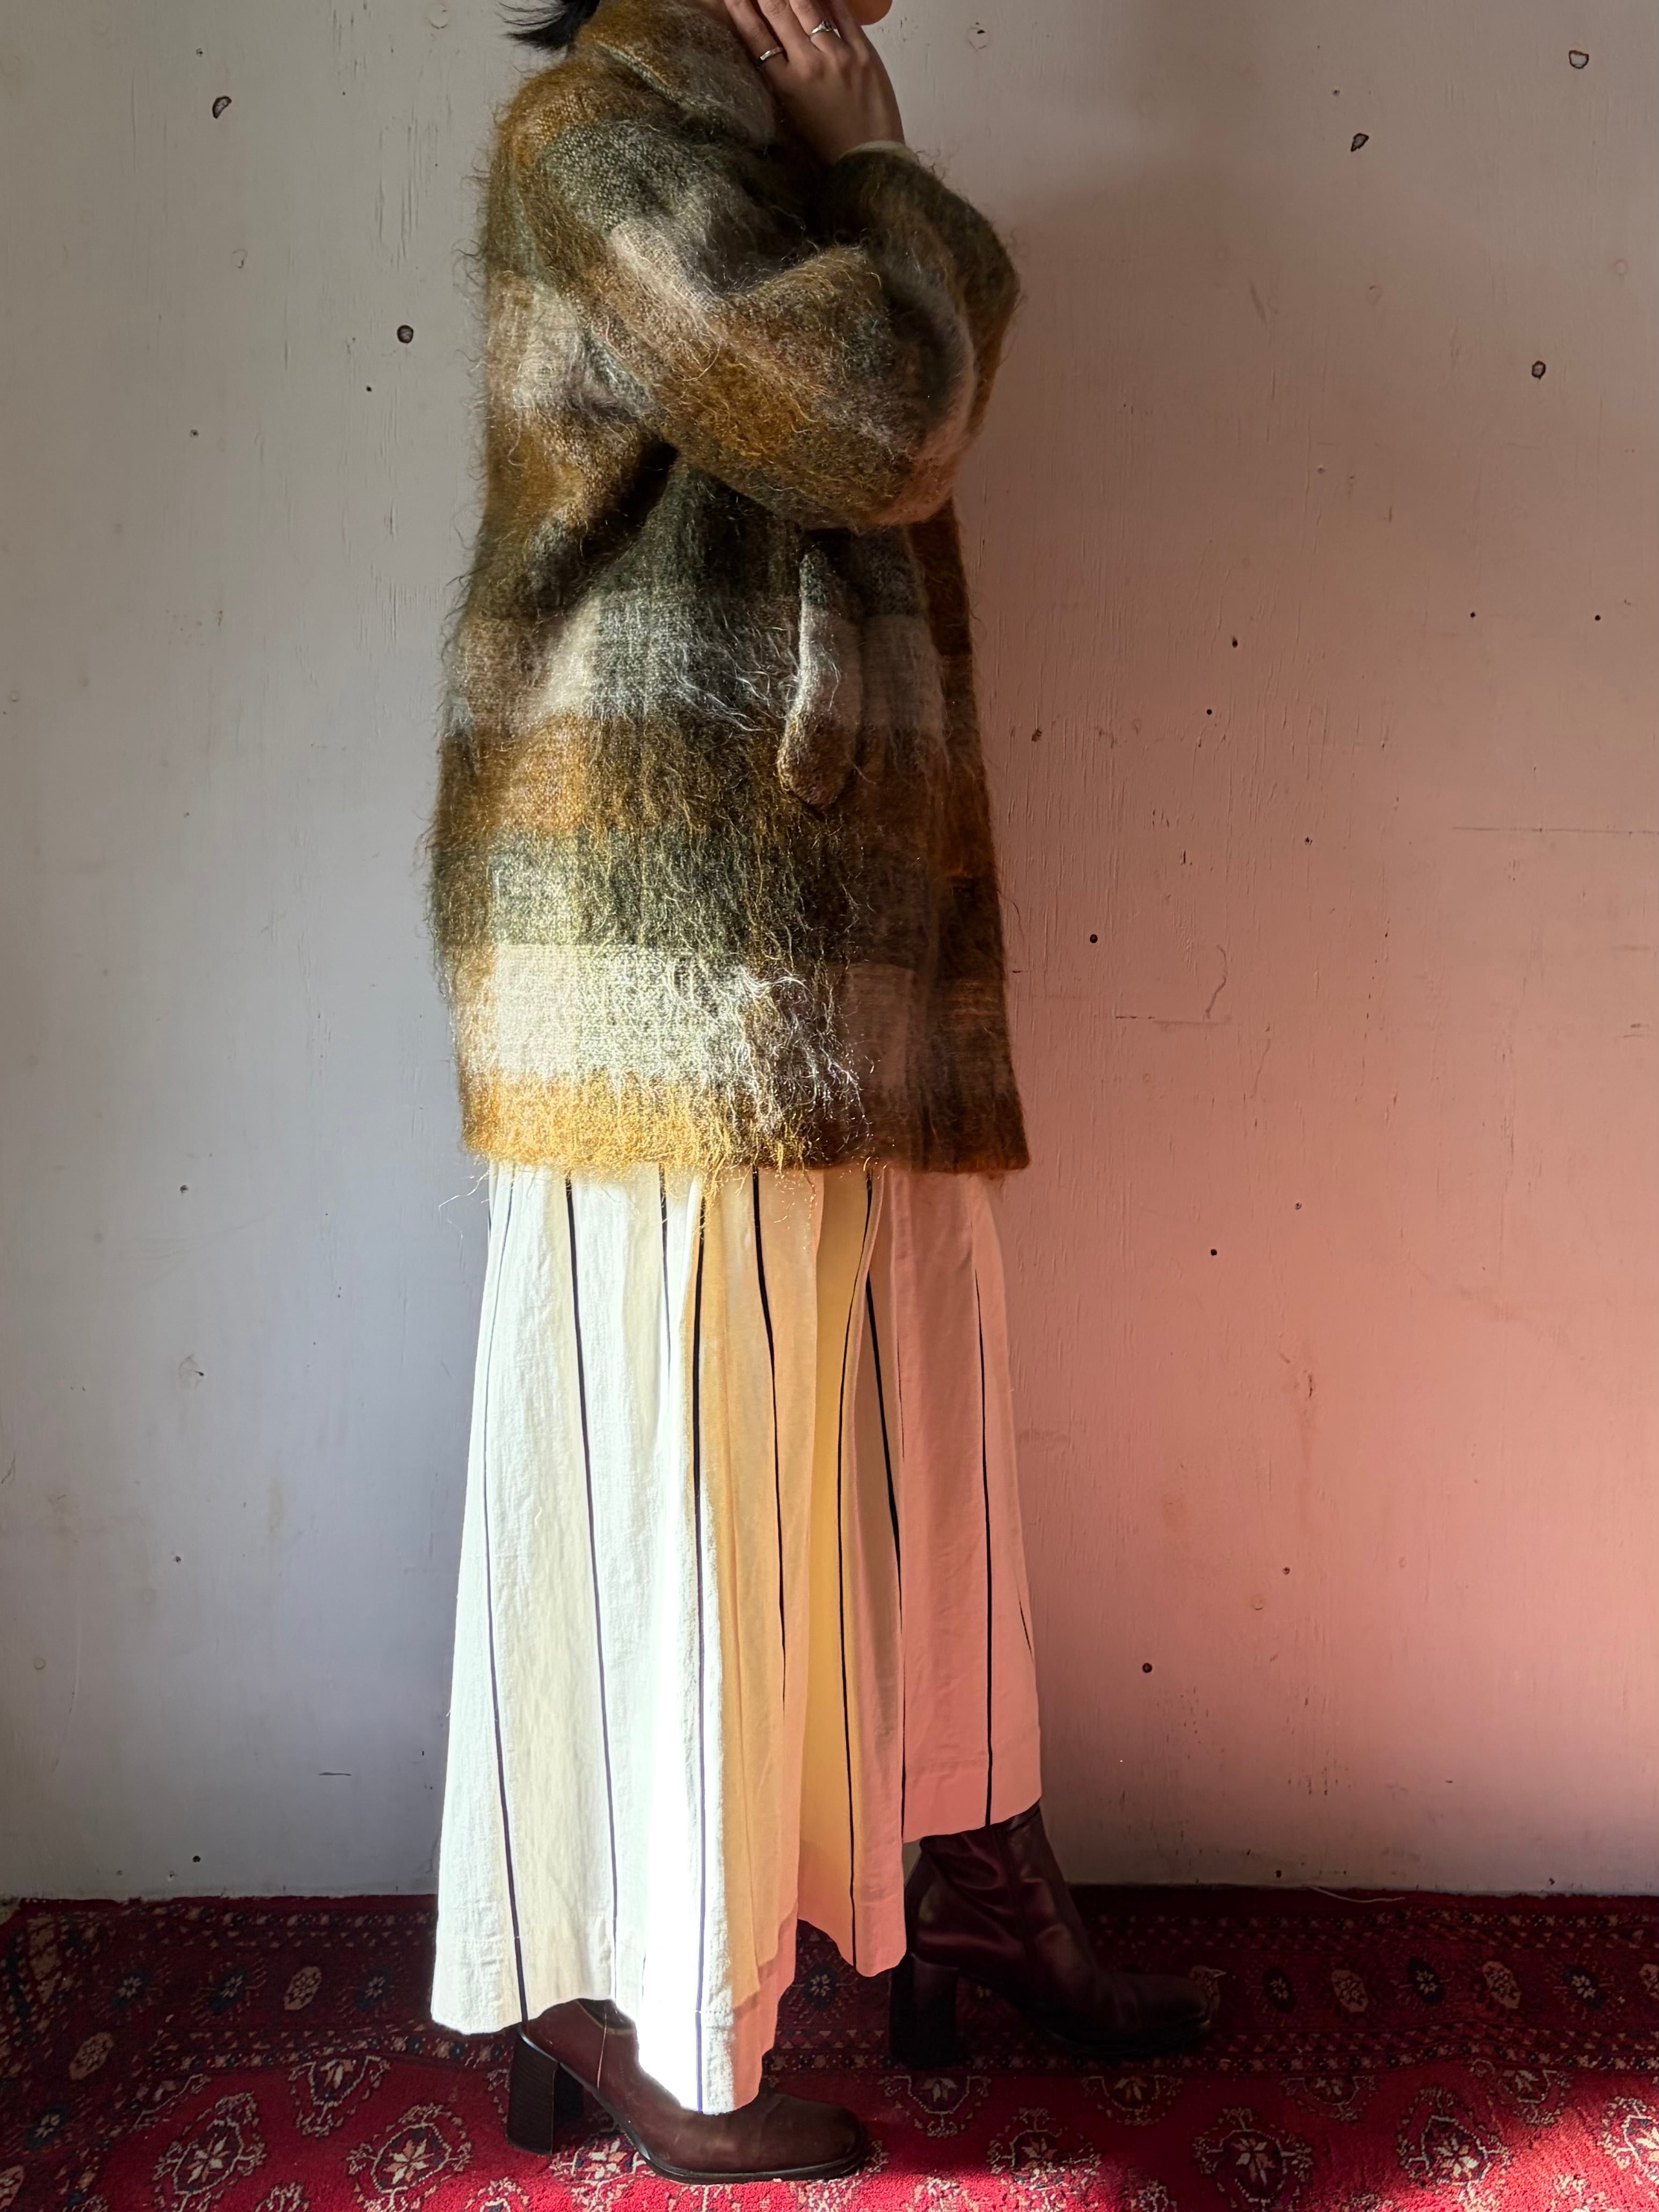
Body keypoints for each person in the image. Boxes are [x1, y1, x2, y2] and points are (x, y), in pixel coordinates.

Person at [425, 0, 1208, 2181]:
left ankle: (969, 1878)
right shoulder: (601, 139)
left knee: (909, 1431)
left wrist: (850, 176)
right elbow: (867, 418)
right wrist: (876, 174)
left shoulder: (747, 162)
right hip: (669, 946)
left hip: (835, 930)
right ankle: (637, 1996)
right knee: (686, 1473)